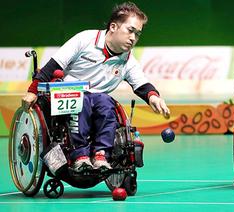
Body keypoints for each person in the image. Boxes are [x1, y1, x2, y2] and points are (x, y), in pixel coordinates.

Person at [22, 2, 170, 172]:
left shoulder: (127, 60)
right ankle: (80, 156)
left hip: (99, 100)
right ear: (113, 27)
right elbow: (54, 64)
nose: (133, 38)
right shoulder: (85, 39)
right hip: (68, 96)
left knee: (107, 104)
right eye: (130, 31)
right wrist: (32, 91)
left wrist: (154, 97)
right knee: (82, 100)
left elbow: (142, 83)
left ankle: (101, 155)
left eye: (137, 34)